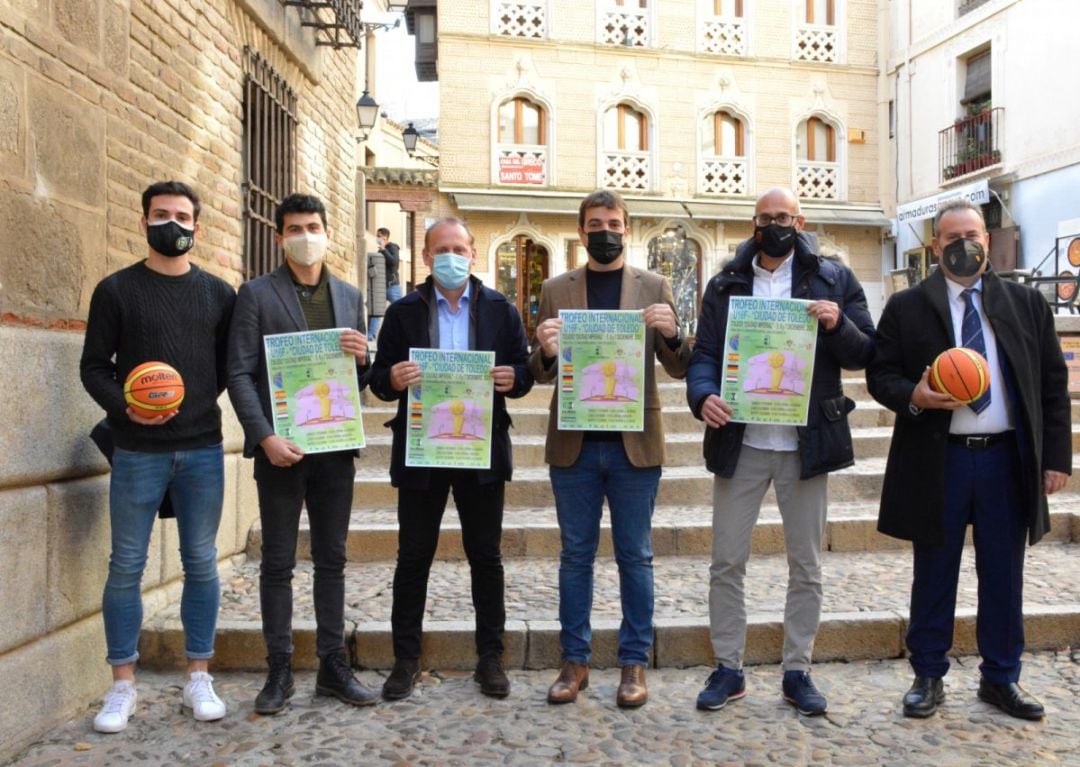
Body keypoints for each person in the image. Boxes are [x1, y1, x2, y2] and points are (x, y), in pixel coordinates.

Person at [866, 199, 1071, 721]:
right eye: (952, 236)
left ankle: (1001, 678)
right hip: (941, 459)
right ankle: (928, 675)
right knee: (934, 570)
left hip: (1006, 459)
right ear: (936, 247)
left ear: (986, 237)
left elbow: (1051, 383)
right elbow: (880, 373)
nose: (964, 244)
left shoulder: (1026, 303)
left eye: (972, 234)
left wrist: (1055, 457)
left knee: (1004, 573)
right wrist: (915, 393)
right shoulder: (907, 307)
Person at [686, 187, 875, 716]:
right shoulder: (725, 281)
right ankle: (728, 668)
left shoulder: (834, 277)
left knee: (806, 564)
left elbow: (867, 351)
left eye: (784, 217)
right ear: (754, 224)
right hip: (741, 440)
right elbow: (704, 354)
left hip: (806, 440)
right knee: (726, 561)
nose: (775, 225)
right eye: (766, 218)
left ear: (800, 219)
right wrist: (703, 396)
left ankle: (798, 670)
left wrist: (837, 323)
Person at [80, 180, 236, 732]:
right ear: (143, 221)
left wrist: (186, 406)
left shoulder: (219, 294)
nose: (172, 223)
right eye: (161, 214)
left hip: (201, 448)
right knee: (126, 565)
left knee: (200, 562)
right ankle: (122, 685)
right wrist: (129, 409)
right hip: (136, 449)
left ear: (197, 226)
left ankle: (199, 674)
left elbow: (226, 368)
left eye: (182, 215)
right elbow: (94, 367)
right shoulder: (116, 290)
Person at [531, 189, 691, 708]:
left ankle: (632, 663)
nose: (605, 232)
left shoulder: (654, 285)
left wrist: (672, 334)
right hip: (575, 445)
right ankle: (574, 662)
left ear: (628, 229)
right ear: (581, 232)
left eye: (614, 223)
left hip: (634, 444)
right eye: (595, 224)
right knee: (575, 556)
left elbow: (680, 365)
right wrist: (546, 350)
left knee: (635, 556)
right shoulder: (556, 288)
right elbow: (539, 370)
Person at [367, 217, 533, 700]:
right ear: (424, 256)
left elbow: (523, 373)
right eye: (441, 248)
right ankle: (405, 660)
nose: (451, 256)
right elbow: (379, 380)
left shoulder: (502, 308)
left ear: (474, 254)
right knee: (413, 557)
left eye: (459, 247)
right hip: (422, 450)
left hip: (481, 452)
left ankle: (491, 659)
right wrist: (393, 380)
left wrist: (512, 380)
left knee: (486, 558)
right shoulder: (403, 312)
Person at [227, 193, 377, 714]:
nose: (304, 235)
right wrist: (264, 436)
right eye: (294, 228)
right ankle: (280, 670)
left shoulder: (350, 296)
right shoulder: (255, 295)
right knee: (277, 563)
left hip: (334, 451)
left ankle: (333, 667)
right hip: (281, 450)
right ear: (279, 237)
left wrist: (362, 362)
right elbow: (240, 373)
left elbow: (353, 383)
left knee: (332, 560)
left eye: (312, 226)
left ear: (327, 232)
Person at [369, 227, 401, 340]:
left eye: (378, 236)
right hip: (381, 286)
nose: (377, 238)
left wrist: (383, 249)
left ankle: (401, 334)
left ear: (385, 237)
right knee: (377, 310)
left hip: (392, 285)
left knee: (400, 310)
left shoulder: (393, 247)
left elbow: (394, 262)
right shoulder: (380, 251)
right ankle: (371, 335)